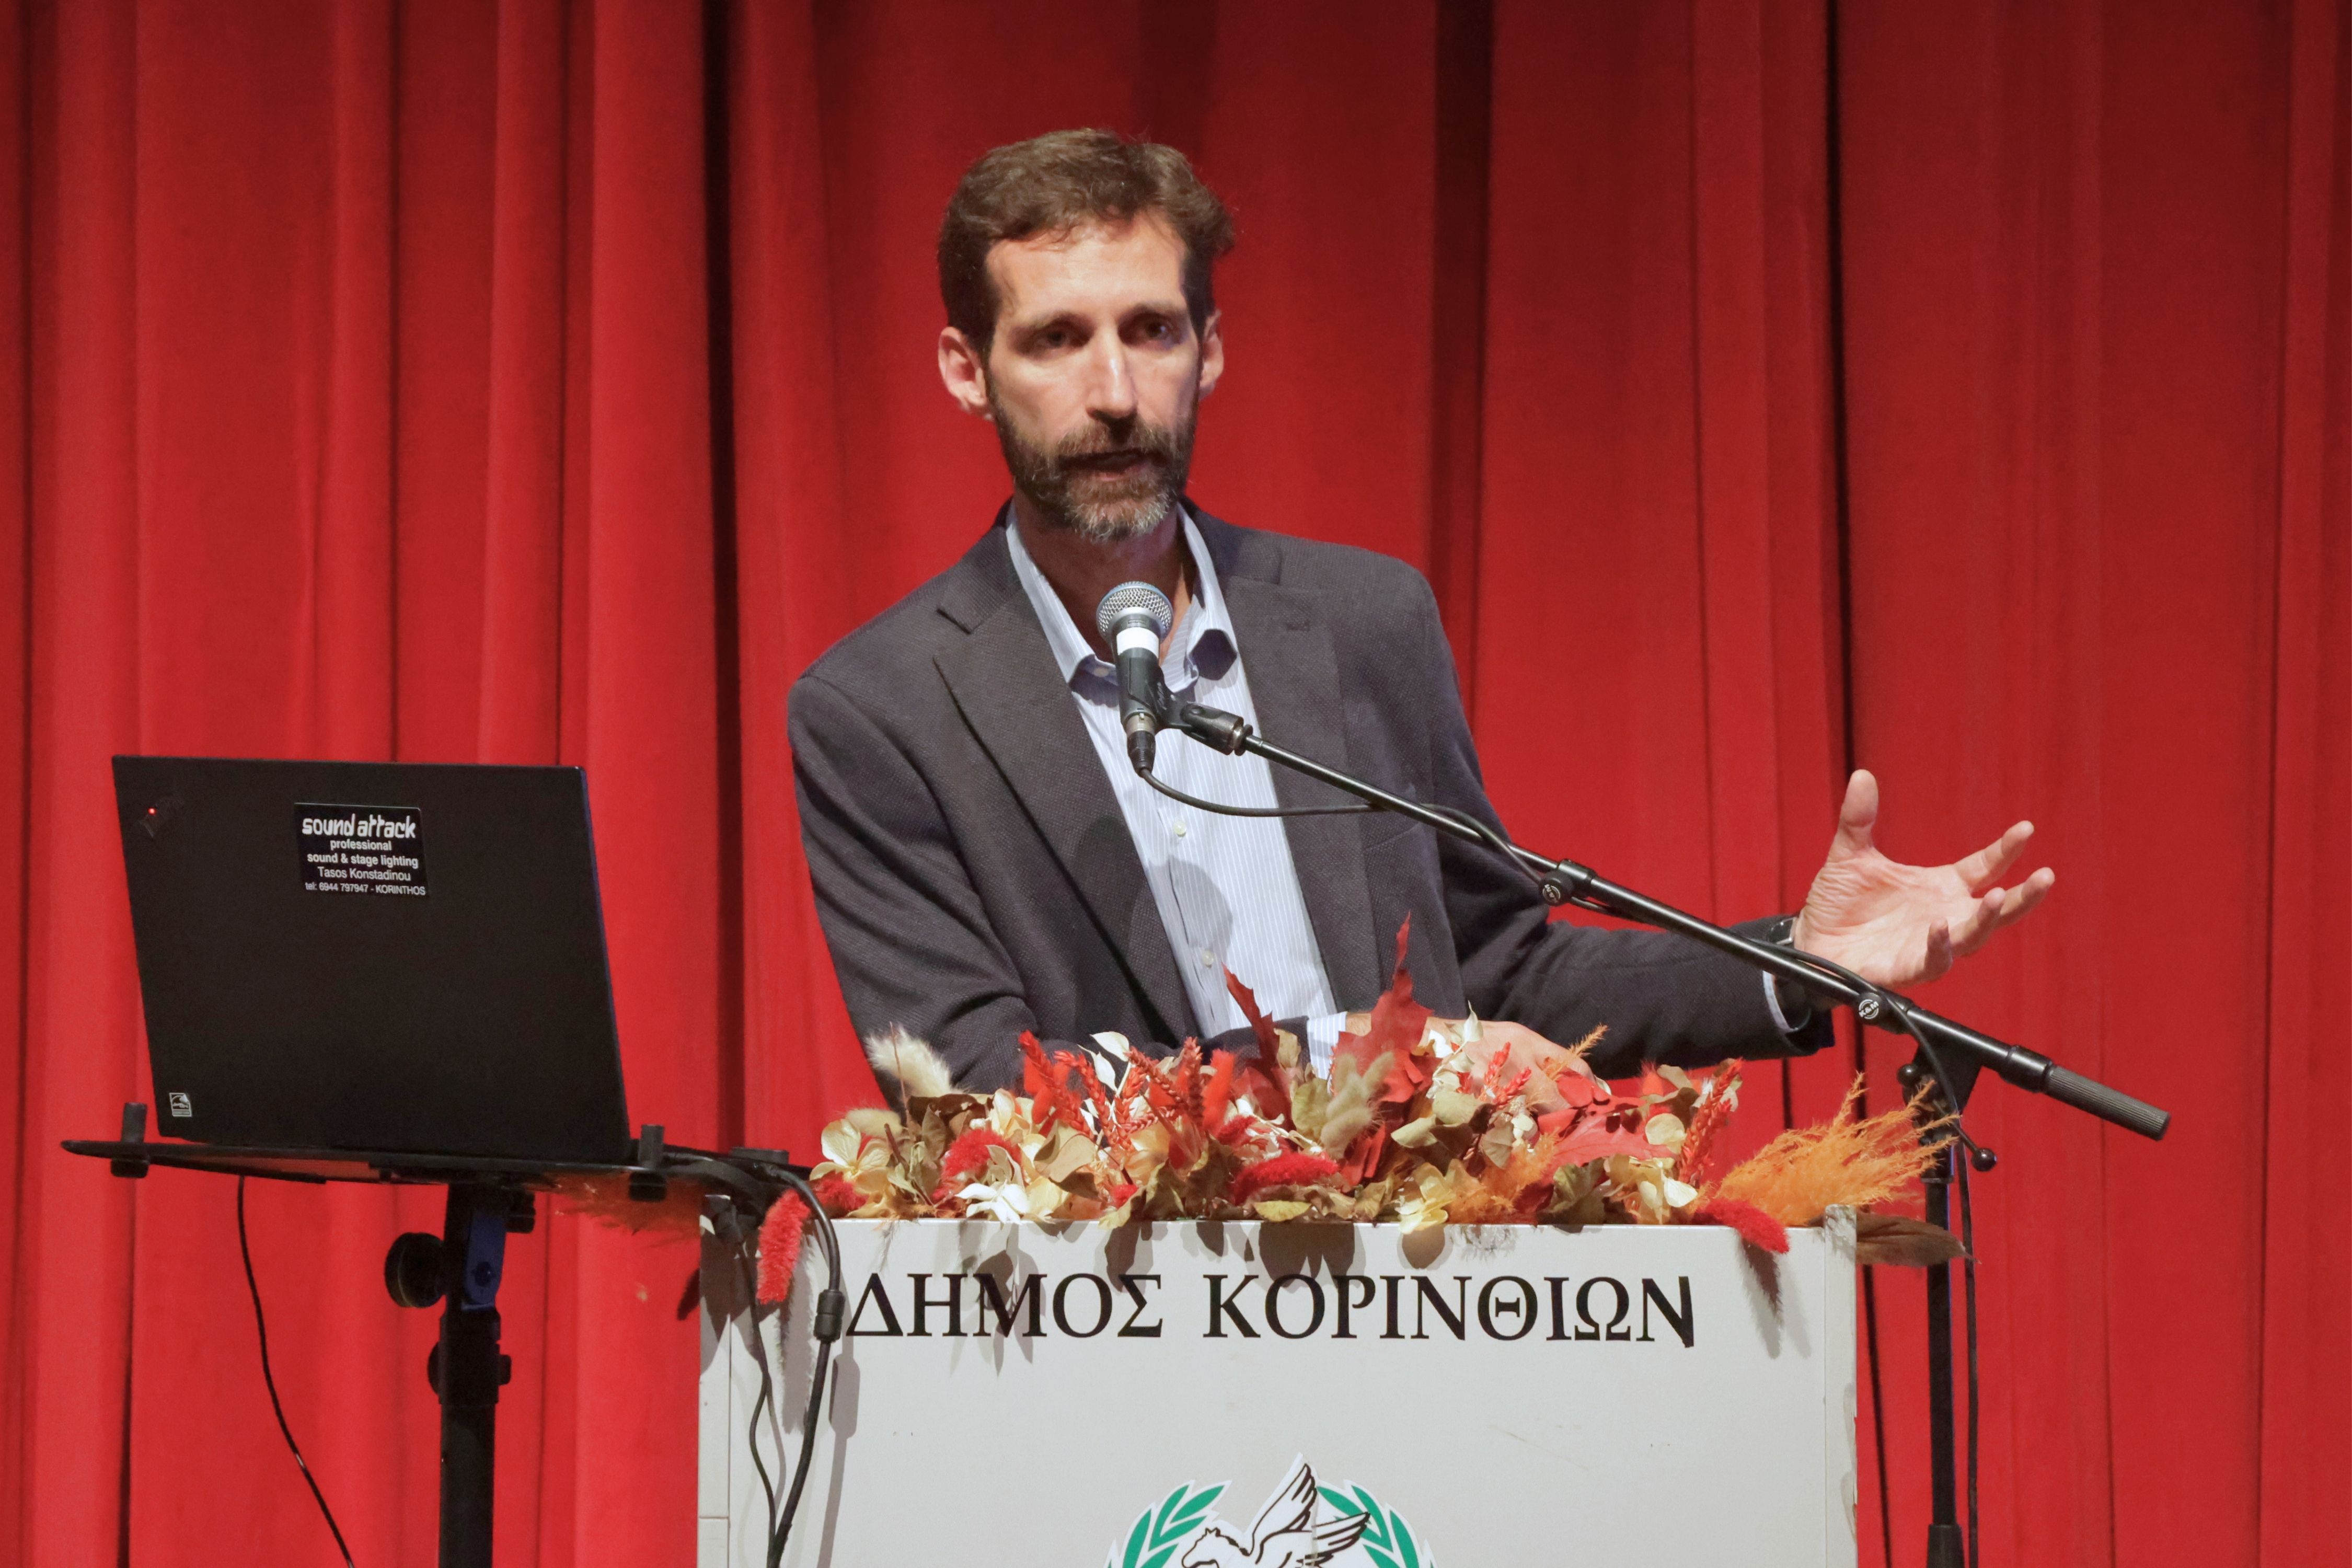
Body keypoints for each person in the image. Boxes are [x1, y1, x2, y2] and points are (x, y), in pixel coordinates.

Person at [788, 130, 2053, 1099]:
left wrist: (1798, 963)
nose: (1114, 392)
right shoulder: (882, 711)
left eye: (1152, 331)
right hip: (1112, 1319)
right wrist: (1372, 1057)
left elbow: (1498, 976)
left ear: (1209, 352)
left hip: (1427, 1292)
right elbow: (973, 1090)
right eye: (1057, 340)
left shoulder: (1361, 622)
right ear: (969, 371)